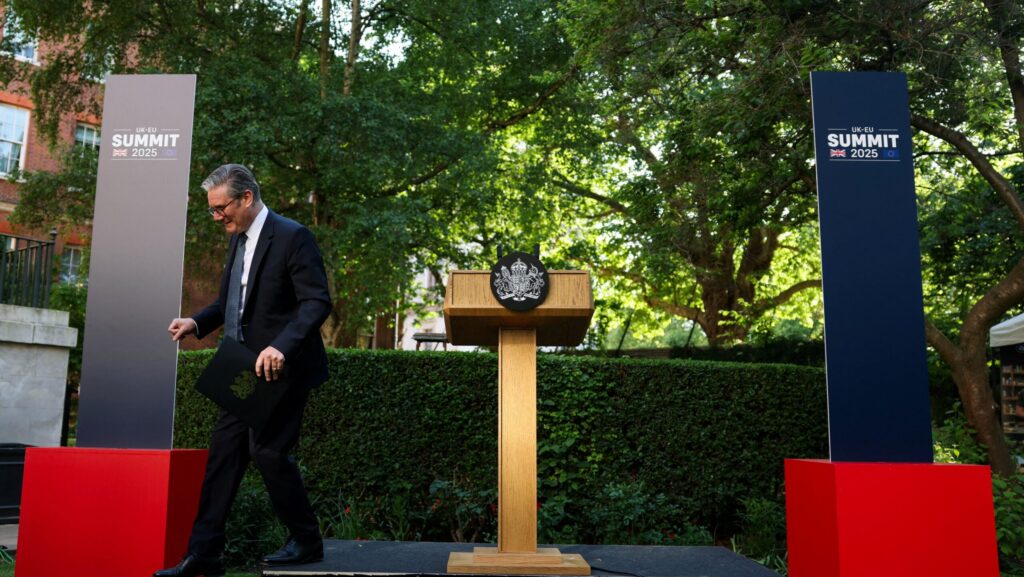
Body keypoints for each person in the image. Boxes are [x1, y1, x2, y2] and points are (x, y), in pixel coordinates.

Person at [156, 164, 331, 577]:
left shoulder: (293, 236)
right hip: (239, 367)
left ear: (247, 197)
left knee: (267, 451)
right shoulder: (238, 241)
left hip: (281, 369)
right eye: (213, 210)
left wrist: (281, 346)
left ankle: (306, 539)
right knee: (223, 457)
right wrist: (196, 321)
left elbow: (316, 302)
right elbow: (230, 302)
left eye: (221, 208)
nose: (217, 217)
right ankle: (204, 555)